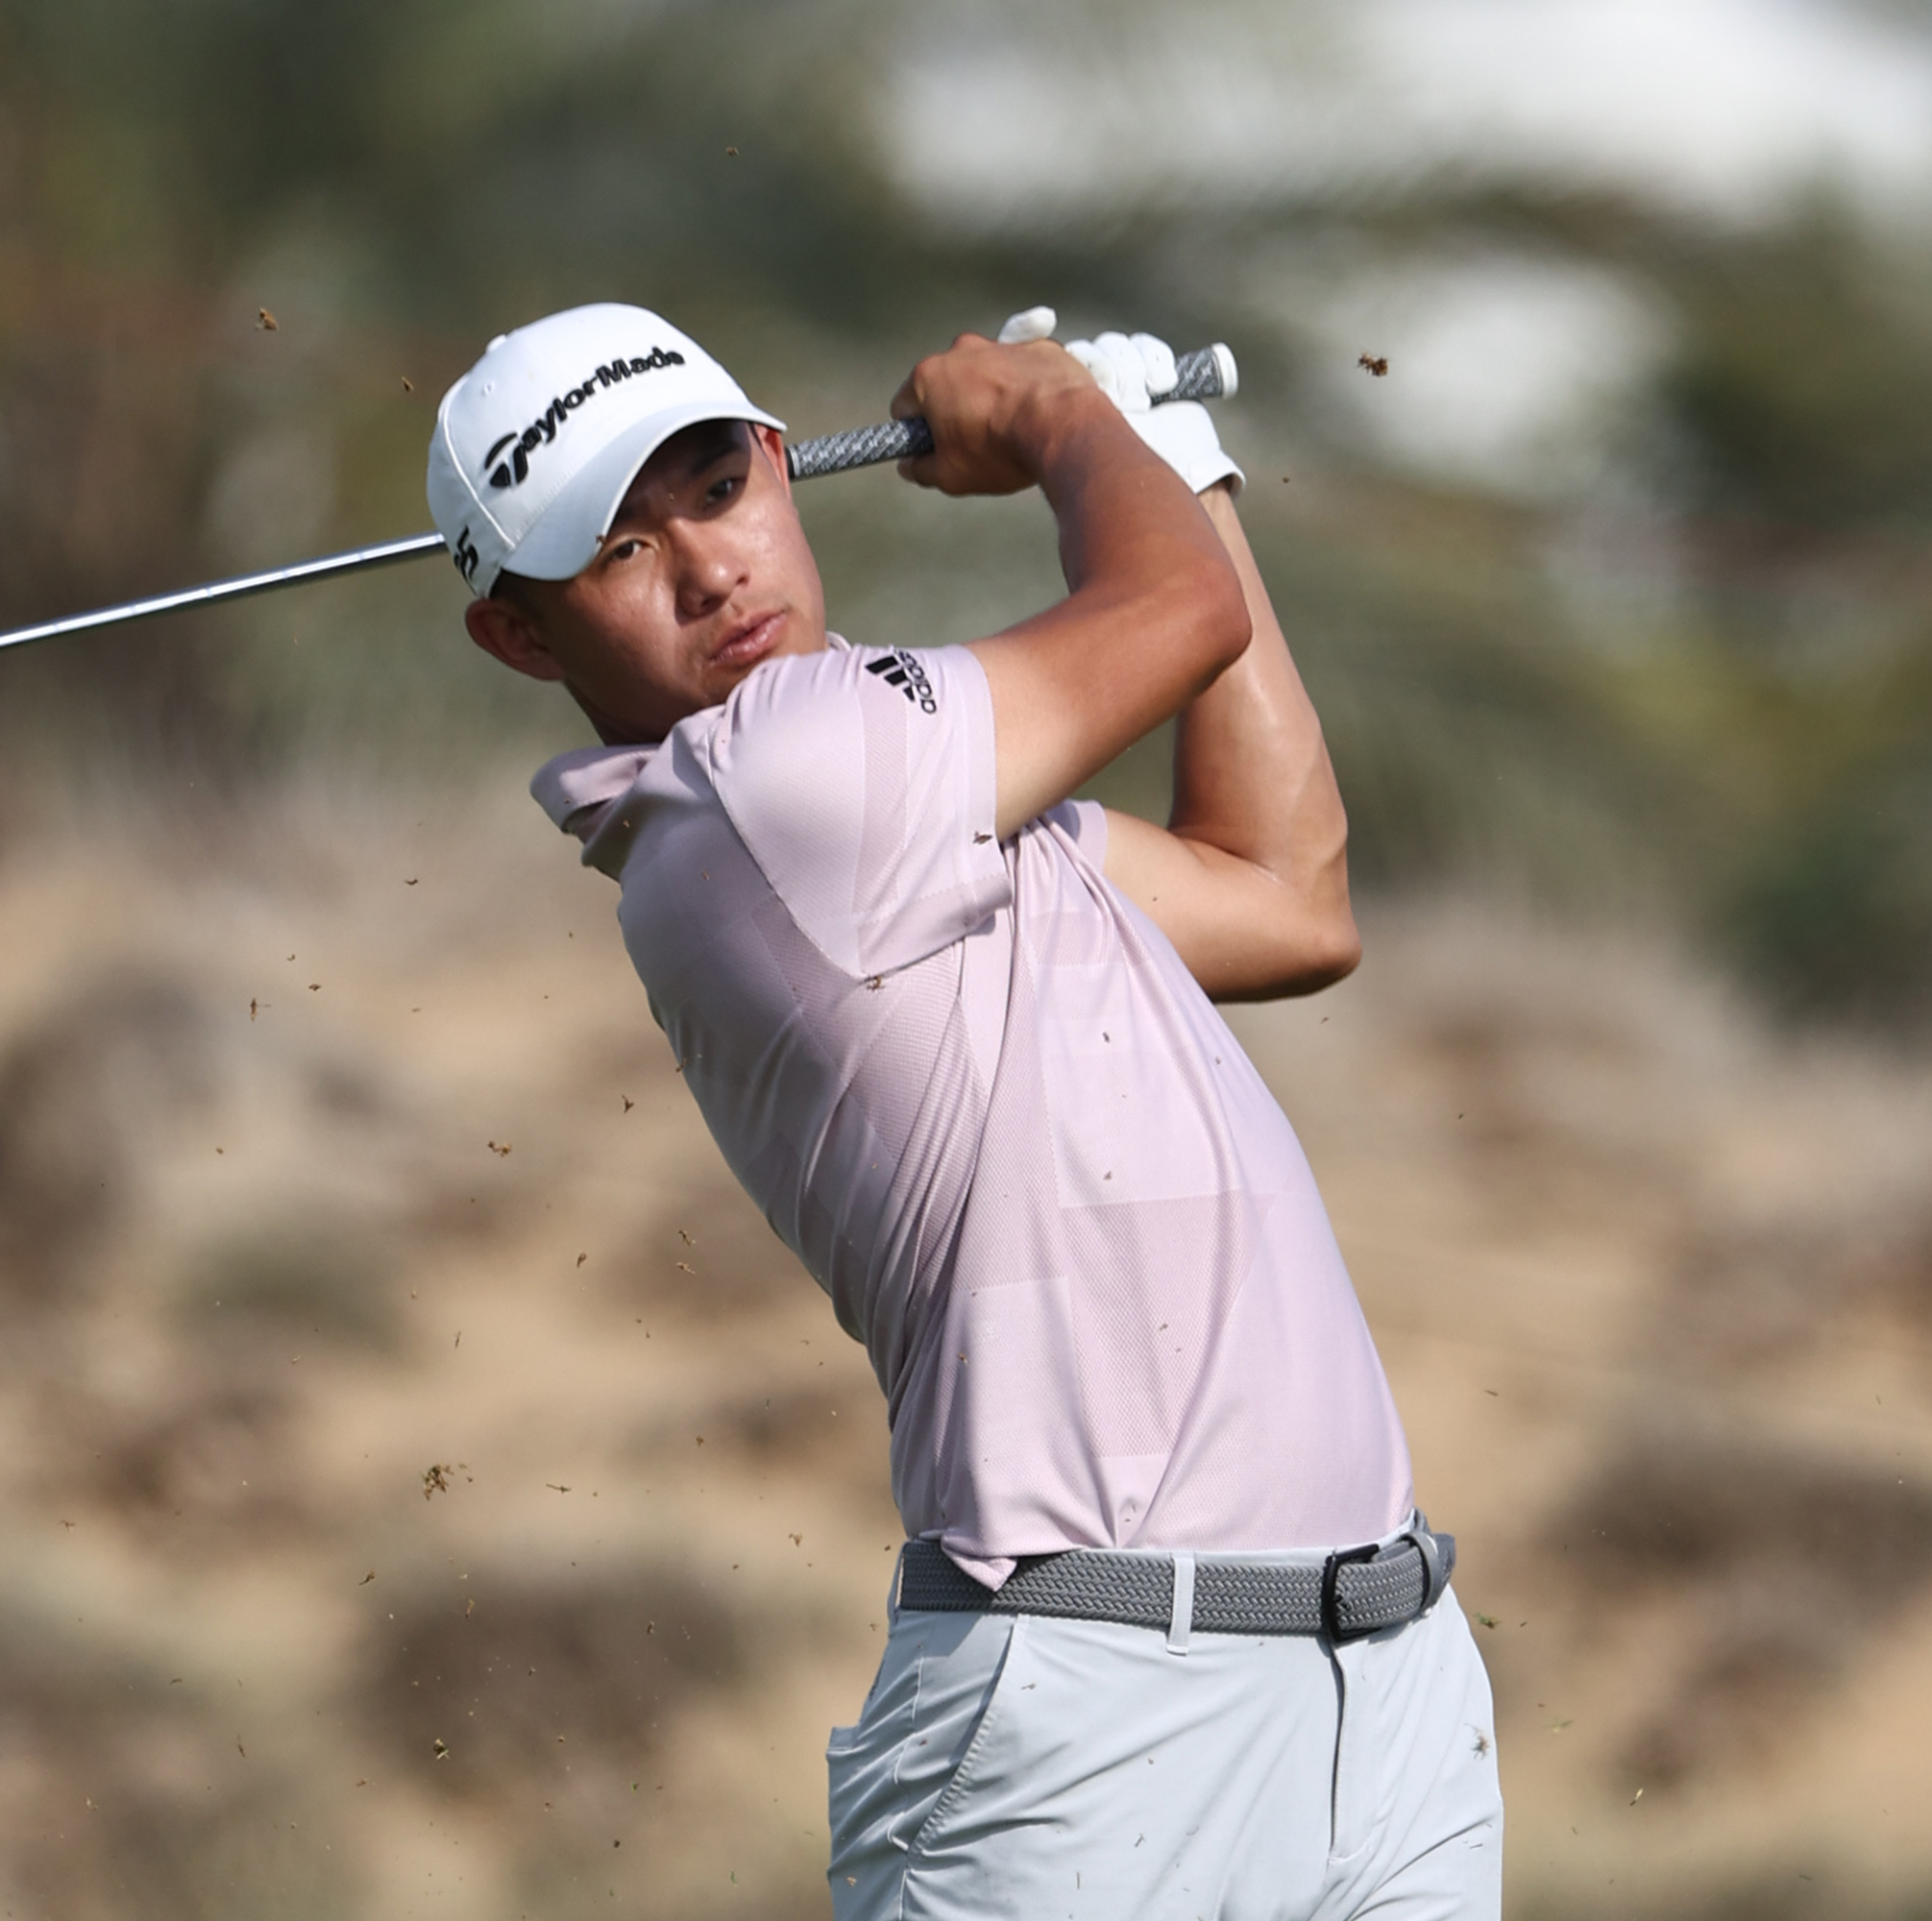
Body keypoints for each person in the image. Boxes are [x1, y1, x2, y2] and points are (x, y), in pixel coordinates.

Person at [427, 302, 1501, 1919]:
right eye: (618, 551)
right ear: (522, 637)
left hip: (1385, 1682)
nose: (711, 567)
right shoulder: (764, 787)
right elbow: (1176, 610)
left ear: (783, 467)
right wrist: (1068, 423)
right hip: (1085, 1720)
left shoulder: (911, 783)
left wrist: (1177, 464)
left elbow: (1286, 899)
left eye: (719, 489)